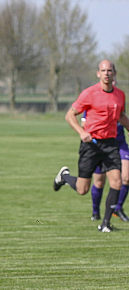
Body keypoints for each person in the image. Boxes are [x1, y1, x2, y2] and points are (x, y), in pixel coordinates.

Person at [54, 59, 129, 232]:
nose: (107, 74)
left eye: (110, 70)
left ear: (114, 74)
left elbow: (121, 116)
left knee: (117, 181)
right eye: (103, 70)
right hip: (91, 144)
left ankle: (105, 224)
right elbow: (70, 115)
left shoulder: (120, 95)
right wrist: (81, 132)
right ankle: (64, 177)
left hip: (110, 143)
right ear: (98, 73)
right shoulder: (89, 93)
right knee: (82, 189)